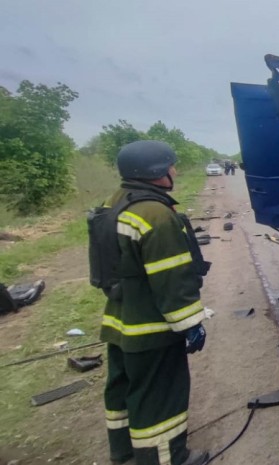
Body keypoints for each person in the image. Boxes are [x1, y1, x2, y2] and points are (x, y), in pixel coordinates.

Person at [99, 141, 210, 465]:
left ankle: (124, 451)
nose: (174, 170)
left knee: (123, 388)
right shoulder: (156, 215)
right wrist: (191, 324)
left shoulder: (114, 203)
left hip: (120, 319)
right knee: (159, 394)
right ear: (155, 172)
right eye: (170, 165)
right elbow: (172, 278)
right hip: (152, 326)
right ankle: (167, 458)